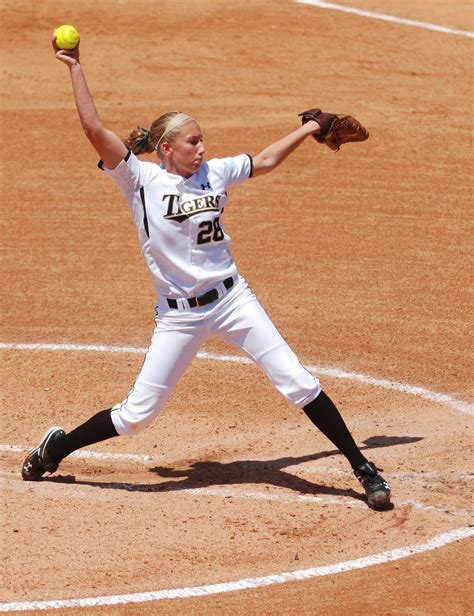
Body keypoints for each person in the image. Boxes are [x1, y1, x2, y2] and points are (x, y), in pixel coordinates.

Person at [21, 37, 392, 510]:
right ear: (166, 148)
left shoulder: (214, 173)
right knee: (136, 416)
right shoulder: (139, 179)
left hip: (233, 300)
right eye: (193, 141)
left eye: (202, 140)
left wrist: (311, 127)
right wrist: (74, 68)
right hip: (178, 317)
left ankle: (364, 468)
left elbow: (265, 160)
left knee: (296, 381)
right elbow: (94, 128)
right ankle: (56, 448)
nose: (202, 148)